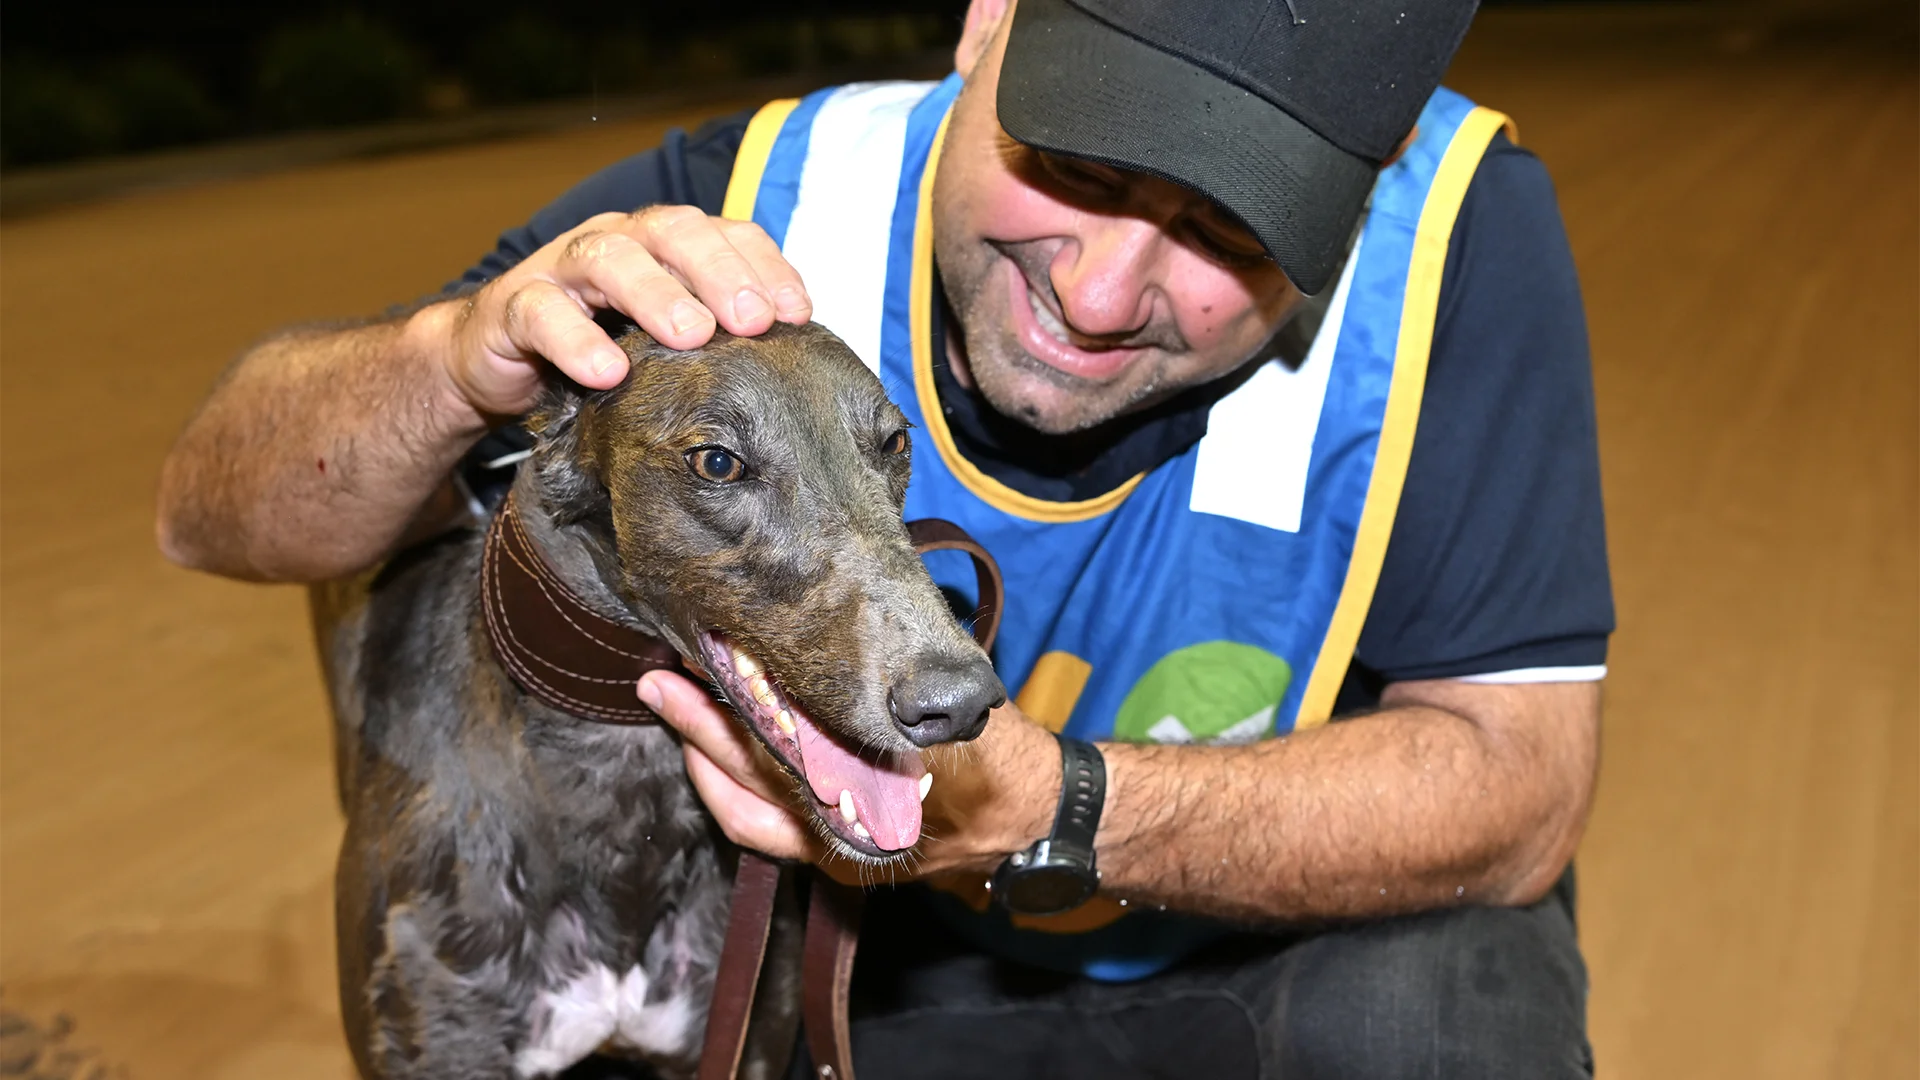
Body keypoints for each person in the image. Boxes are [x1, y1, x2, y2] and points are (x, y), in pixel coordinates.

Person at [158, 0, 1612, 1075]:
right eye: (1085, 167)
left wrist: (1059, 810)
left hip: (1243, 940)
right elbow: (214, 508)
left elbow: (1520, 787)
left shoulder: (1455, 249)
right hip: (879, 982)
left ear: (1369, 180)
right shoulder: (737, 204)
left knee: (1452, 1001)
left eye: (1227, 231)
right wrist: (450, 358)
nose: (1102, 294)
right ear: (988, 25)